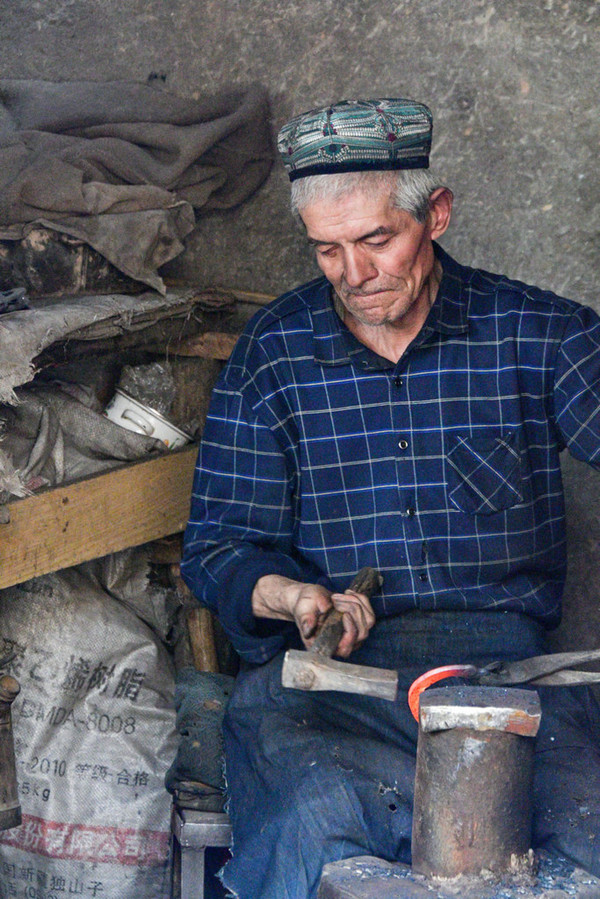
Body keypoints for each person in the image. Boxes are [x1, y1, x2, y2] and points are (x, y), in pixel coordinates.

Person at [181, 98, 600, 898]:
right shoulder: (275, 353)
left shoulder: (538, 333)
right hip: (337, 691)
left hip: (506, 683)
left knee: (581, 841)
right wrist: (292, 595)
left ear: (434, 214)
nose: (354, 274)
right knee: (316, 834)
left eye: (377, 240)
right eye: (327, 249)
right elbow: (218, 547)